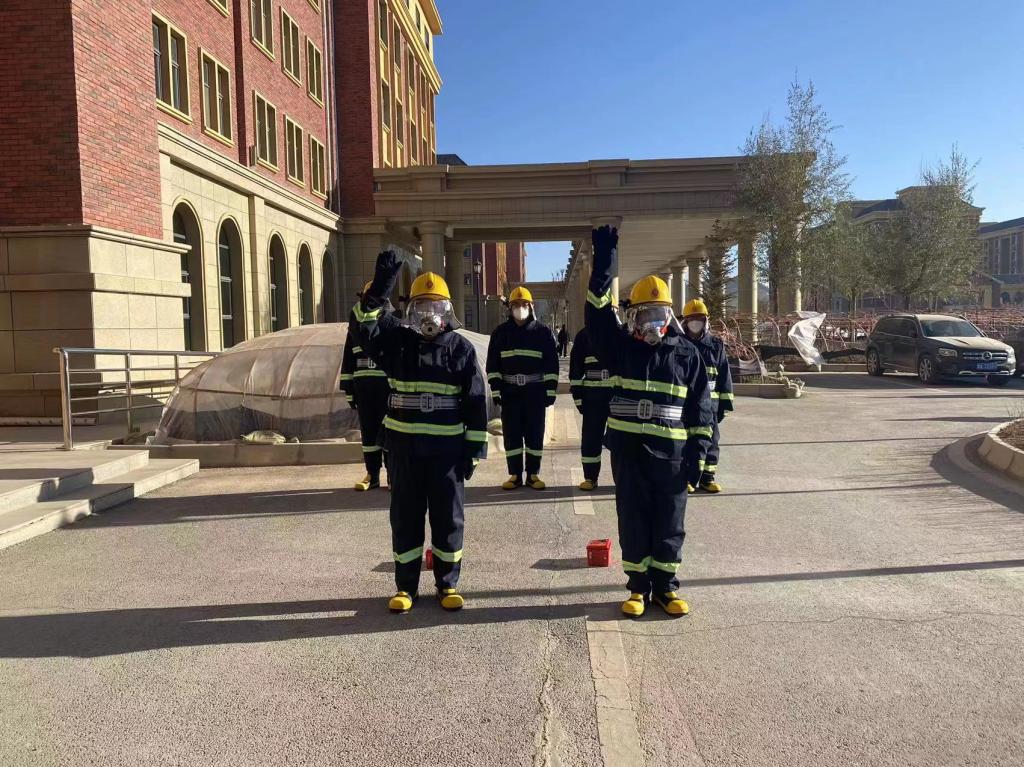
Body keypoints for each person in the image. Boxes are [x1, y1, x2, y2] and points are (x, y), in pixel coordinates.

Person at [585, 225, 715, 618]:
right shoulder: (620, 349)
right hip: (629, 453)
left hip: (671, 456)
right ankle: (638, 589)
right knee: (633, 519)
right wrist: (604, 259)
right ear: (632, 316)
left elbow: (701, 410)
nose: (652, 324)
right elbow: (596, 314)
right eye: (645, 315)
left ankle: (666, 588)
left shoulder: (687, 355)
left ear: (670, 316)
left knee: (670, 520)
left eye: (659, 315)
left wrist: (700, 456)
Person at [355, 252, 488, 613]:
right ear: (411, 310)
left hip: (447, 455)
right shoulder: (397, 343)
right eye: (422, 307)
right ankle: (406, 587)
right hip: (404, 452)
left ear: (447, 311)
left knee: (448, 519)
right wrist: (380, 287)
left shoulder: (460, 349)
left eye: (436, 307)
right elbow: (365, 328)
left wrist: (474, 452)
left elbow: (476, 403)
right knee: (405, 519)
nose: (430, 315)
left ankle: (448, 584)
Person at [486, 286, 559, 490]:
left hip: (535, 392)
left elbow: (551, 365)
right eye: (516, 304)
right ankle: (515, 475)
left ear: (531, 306)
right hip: (510, 393)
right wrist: (496, 390)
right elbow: (492, 366)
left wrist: (550, 390)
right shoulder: (500, 333)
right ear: (509, 308)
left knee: (535, 434)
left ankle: (533, 474)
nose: (520, 308)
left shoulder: (543, 332)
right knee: (512, 435)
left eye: (524, 304)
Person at [680, 299, 734, 493]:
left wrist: (724, 405)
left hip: (710, 404)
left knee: (711, 442)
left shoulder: (715, 345)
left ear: (706, 321)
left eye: (700, 318)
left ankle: (707, 478)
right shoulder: (680, 344)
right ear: (685, 321)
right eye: (692, 319)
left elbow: (724, 374)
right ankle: (686, 478)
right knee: (687, 441)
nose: (696, 322)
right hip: (686, 403)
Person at [340, 283, 390, 491]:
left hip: (387, 388)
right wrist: (349, 390)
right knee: (368, 432)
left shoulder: (390, 324)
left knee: (390, 430)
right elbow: (348, 360)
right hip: (364, 389)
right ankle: (372, 474)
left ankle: (393, 475)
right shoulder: (355, 328)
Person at [569, 326, 613, 490]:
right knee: (591, 439)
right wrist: (578, 397)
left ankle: (622, 479)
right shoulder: (584, 336)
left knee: (620, 440)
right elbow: (576, 368)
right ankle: (590, 477)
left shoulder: (621, 333)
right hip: (592, 398)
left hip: (617, 397)